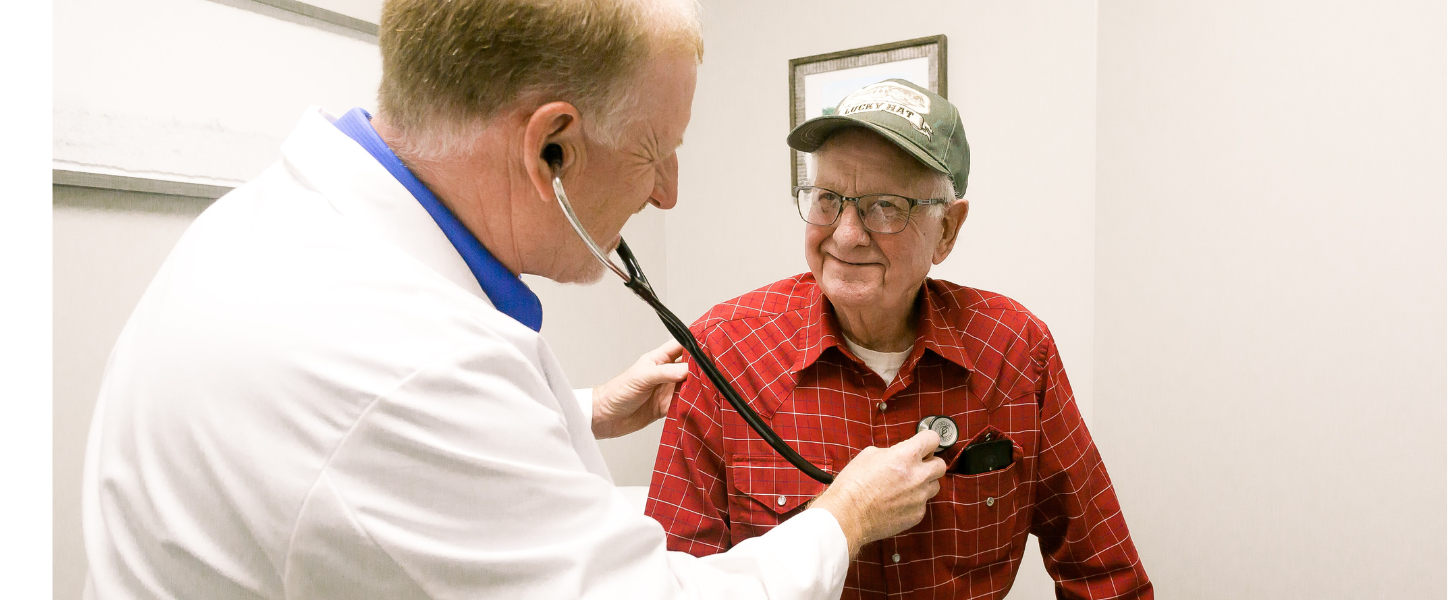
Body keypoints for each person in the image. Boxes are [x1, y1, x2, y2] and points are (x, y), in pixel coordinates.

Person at [78, 2, 949, 598]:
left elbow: (369, 457)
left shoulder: (290, 222)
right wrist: (844, 516)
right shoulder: (405, 366)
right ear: (553, 152)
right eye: (656, 152)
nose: (669, 194)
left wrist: (582, 412)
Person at [645, 79, 1153, 599]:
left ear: (948, 231)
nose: (845, 235)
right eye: (827, 199)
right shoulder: (726, 350)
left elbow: (1104, 575)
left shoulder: (1016, 350)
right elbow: (665, 584)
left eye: (885, 206)